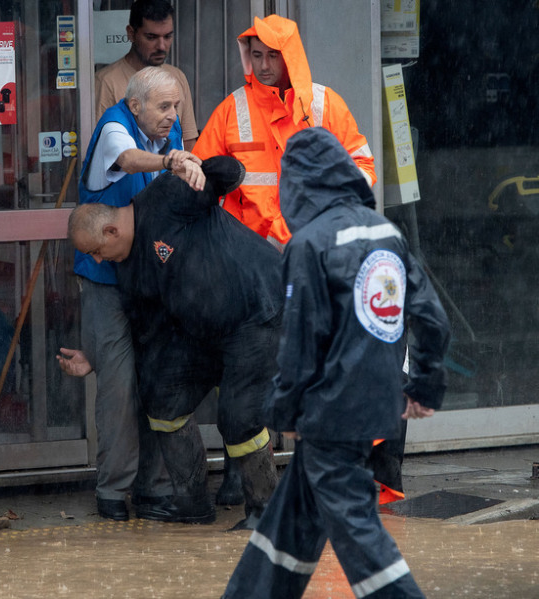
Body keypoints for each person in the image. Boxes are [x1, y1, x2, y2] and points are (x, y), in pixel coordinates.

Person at [221, 128, 451, 598]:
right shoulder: (387, 232)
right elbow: (432, 319)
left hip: (330, 411)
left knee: (358, 534)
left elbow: (299, 344)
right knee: (289, 527)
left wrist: (285, 411)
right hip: (375, 404)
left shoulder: (310, 244)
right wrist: (424, 386)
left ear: (298, 184)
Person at [62, 155, 284, 526]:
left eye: (95, 251)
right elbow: (145, 329)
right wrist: (93, 357)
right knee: (164, 396)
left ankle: (266, 511)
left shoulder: (165, 194)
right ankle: (193, 502)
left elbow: (231, 172)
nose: (98, 261)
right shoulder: (127, 266)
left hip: (257, 313)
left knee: (239, 417)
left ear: (111, 231)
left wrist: (192, 168)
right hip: (203, 333)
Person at [76, 66, 203, 523]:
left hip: (151, 281)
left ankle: (154, 489)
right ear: (136, 106)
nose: (173, 115)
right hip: (108, 280)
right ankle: (113, 490)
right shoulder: (115, 125)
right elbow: (128, 160)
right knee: (119, 385)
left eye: (177, 106)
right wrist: (171, 163)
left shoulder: (170, 136)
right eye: (164, 107)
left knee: (158, 378)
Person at [193, 14, 375, 247]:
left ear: (290, 56)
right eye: (257, 55)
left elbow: (363, 166)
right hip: (246, 249)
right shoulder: (231, 108)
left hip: (313, 244)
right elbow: (198, 176)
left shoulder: (326, 103)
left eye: (273, 55)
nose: (263, 65)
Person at [95, 0, 198, 150]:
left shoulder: (177, 77)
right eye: (151, 37)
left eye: (167, 36)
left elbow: (189, 142)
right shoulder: (106, 82)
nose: (161, 46)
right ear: (131, 34)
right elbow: (100, 146)